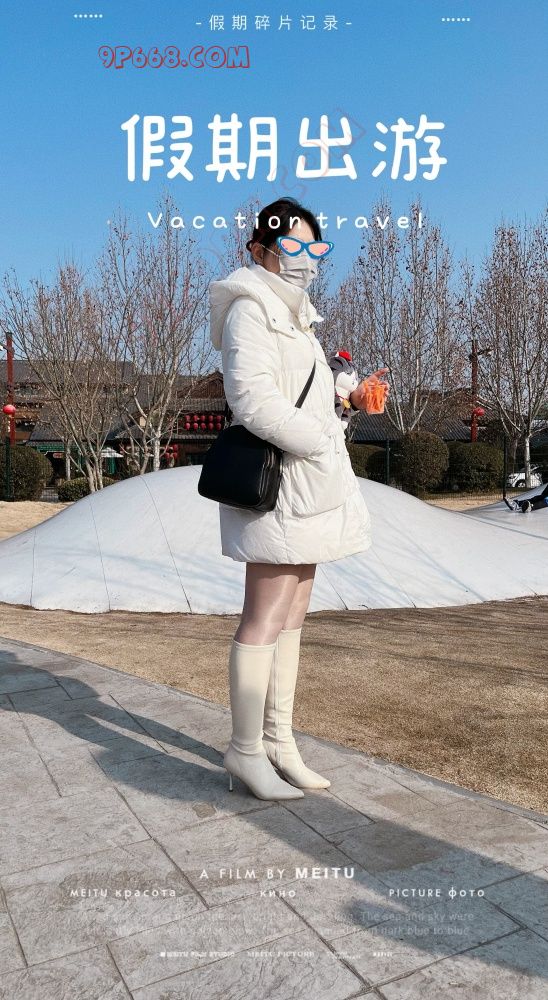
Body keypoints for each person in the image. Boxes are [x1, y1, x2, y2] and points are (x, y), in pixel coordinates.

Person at [208, 197, 389, 802]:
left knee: (292, 616)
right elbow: (252, 400)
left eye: (315, 247)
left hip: (307, 486)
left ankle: (279, 741)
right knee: (263, 618)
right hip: (279, 486)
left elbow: (301, 395)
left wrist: (347, 402)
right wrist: (321, 439)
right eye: (293, 245)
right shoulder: (251, 308)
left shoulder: (296, 316)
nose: (306, 258)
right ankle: (245, 750)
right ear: (259, 249)